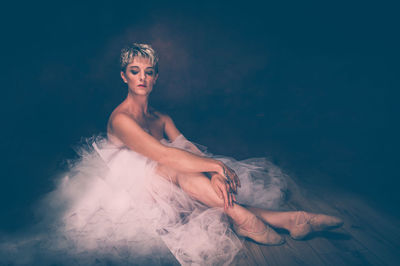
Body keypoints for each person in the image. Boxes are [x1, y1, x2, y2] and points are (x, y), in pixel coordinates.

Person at [0, 43, 342, 266]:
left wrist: (215, 171)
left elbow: (187, 147)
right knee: (173, 168)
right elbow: (163, 154)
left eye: (149, 72)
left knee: (191, 174)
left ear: (156, 77)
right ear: (124, 76)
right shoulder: (121, 119)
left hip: (169, 178)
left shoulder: (160, 117)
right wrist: (214, 165)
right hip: (126, 193)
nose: (142, 78)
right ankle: (255, 218)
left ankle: (291, 220)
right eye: (135, 71)